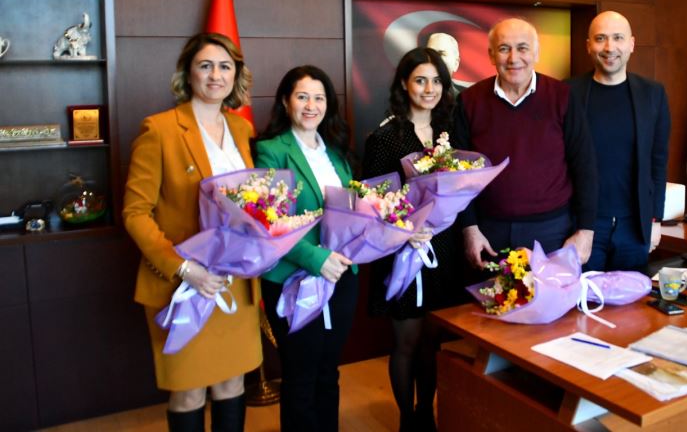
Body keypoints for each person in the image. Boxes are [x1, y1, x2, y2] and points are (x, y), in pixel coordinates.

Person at [123, 32, 259, 432]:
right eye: (205, 66)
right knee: (189, 392)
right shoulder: (160, 130)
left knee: (233, 384)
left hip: (233, 283)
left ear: (236, 75)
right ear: (187, 73)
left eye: (225, 67)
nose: (216, 75)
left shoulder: (241, 129)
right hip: (183, 286)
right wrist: (183, 268)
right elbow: (135, 213)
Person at [363, 47, 463, 432]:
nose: (429, 89)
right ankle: (407, 419)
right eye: (420, 80)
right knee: (406, 340)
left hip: (443, 248)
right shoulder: (386, 137)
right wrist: (406, 229)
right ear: (404, 84)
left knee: (432, 341)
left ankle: (426, 414)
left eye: (436, 81)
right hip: (403, 252)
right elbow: (372, 200)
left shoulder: (450, 132)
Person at [254, 65, 356, 432]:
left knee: (329, 371)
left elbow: (352, 209)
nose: (311, 106)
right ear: (286, 101)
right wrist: (316, 259)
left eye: (319, 98)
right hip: (293, 279)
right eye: (302, 97)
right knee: (300, 375)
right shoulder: (270, 151)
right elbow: (267, 220)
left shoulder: (337, 152)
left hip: (341, 277)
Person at [453, 17, 597, 271]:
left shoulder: (563, 97)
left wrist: (586, 230)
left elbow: (585, 167)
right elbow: (458, 177)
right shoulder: (468, 102)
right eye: (504, 48)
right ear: (491, 55)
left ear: (536, 53)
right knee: (487, 297)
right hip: (488, 234)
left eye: (522, 48)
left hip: (552, 232)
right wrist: (469, 228)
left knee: (550, 298)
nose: (513, 58)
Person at [567, 11, 671, 272]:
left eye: (618, 38)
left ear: (631, 44)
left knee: (631, 298)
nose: (609, 47)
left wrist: (655, 219)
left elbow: (658, 163)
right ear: (588, 45)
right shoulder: (567, 93)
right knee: (584, 295)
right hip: (584, 226)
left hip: (634, 228)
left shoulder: (653, 94)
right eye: (600, 38)